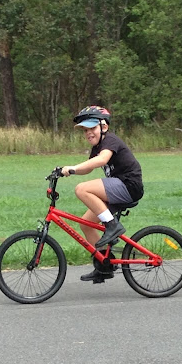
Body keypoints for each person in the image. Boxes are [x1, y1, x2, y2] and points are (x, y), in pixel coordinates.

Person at [61, 106, 144, 281]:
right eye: (85, 130)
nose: (88, 133)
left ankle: (112, 226)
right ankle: (104, 265)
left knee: (82, 189)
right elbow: (88, 168)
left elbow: (102, 159)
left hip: (129, 186)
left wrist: (73, 168)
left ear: (104, 126)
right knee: (86, 224)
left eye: (92, 128)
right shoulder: (97, 146)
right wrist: (66, 171)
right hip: (119, 187)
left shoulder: (110, 141)